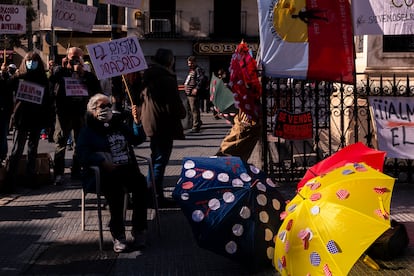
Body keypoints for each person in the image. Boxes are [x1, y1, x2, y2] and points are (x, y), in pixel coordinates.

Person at [76, 93, 148, 253]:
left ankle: (139, 230)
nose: (107, 109)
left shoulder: (119, 125)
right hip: (103, 173)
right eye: (103, 107)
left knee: (141, 185)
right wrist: (102, 162)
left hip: (127, 169)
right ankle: (119, 235)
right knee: (116, 191)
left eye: (109, 106)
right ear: (93, 110)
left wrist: (137, 122)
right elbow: (82, 154)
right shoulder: (88, 131)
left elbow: (137, 139)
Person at [139, 48, 186, 206]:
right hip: (163, 124)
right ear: (169, 61)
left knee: (156, 158)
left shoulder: (148, 76)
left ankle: (150, 192)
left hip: (153, 122)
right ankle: (154, 195)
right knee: (159, 160)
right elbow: (173, 104)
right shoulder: (166, 78)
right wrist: (182, 112)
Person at [49, 46, 101, 185]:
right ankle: (59, 173)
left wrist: (83, 74)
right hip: (64, 113)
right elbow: (52, 82)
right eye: (73, 58)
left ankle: (76, 171)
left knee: (80, 143)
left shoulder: (87, 74)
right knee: (60, 142)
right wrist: (62, 68)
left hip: (81, 113)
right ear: (67, 58)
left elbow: (97, 89)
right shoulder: (61, 71)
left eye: (78, 58)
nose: (75, 61)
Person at [4, 52, 54, 190]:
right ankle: (10, 179)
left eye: (34, 61)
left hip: (36, 118)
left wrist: (49, 122)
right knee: (16, 150)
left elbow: (47, 102)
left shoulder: (43, 80)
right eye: (29, 61)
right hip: (21, 118)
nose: (31, 63)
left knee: (33, 150)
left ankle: (30, 178)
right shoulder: (18, 78)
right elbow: (6, 89)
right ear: (24, 62)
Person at [184, 55, 207, 133]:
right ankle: (195, 123)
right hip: (189, 93)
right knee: (190, 109)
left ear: (195, 62)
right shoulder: (192, 71)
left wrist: (196, 88)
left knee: (194, 109)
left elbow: (201, 79)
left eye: (191, 63)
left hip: (193, 94)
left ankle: (196, 126)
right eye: (189, 63)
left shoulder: (198, 70)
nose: (189, 65)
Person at [0, 63, 14, 167]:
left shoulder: (8, 78)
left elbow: (8, 86)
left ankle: (2, 155)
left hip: (4, 109)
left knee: (3, 134)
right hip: (5, 109)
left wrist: (4, 74)